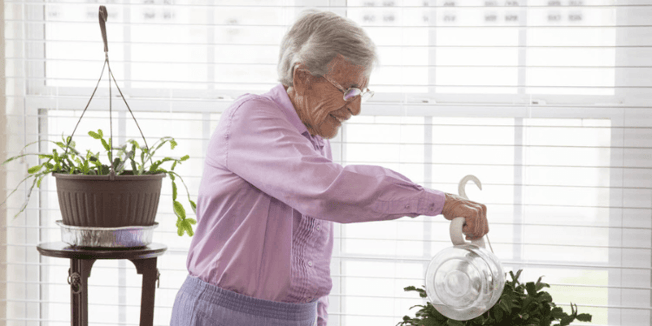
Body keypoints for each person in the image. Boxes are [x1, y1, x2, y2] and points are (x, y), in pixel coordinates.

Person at [170, 9, 488, 326]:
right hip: (225, 315)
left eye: (362, 92)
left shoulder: (316, 138)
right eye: (349, 89)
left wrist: (318, 316)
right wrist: (439, 202)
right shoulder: (250, 117)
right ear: (302, 76)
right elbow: (326, 190)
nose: (356, 107)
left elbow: (311, 253)